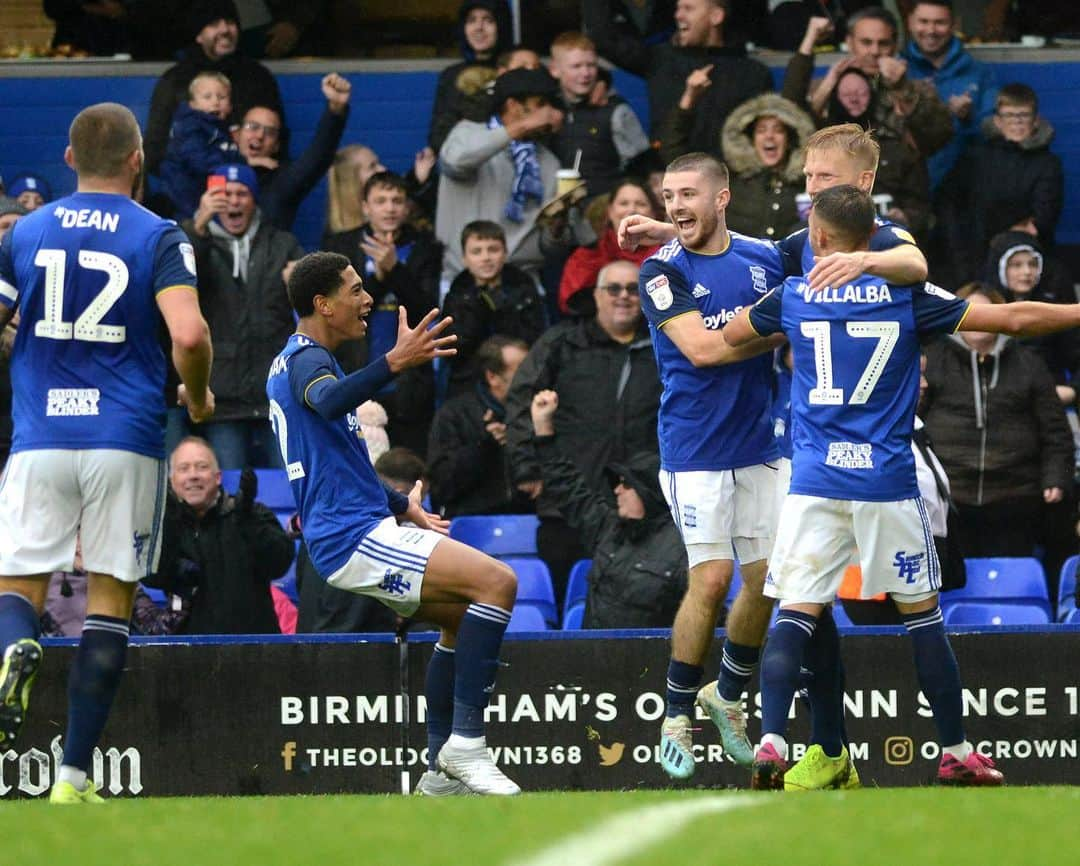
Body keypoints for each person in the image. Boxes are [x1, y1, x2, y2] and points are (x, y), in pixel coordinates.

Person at [721, 183, 1080, 788]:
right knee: (922, 619)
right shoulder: (908, 294)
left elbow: (731, 336)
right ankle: (955, 751)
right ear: (874, 239)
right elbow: (1012, 318)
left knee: (795, 613)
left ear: (816, 237)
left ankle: (774, 742)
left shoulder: (791, 296)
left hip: (814, 479)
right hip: (886, 481)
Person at [0, 102, 214, 804]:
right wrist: (200, 396)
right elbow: (188, 333)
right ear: (137, 162)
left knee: (16, 588)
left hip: (39, 439)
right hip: (123, 439)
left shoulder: (23, 231)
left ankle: (13, 647)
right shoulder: (158, 234)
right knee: (110, 602)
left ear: (69, 160)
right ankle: (71, 778)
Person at [266, 251, 521, 796]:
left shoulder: (291, 360)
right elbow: (331, 402)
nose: (366, 301)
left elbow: (335, 462)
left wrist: (400, 503)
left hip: (353, 527)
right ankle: (467, 746)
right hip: (351, 535)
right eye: (355, 291)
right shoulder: (310, 360)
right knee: (499, 583)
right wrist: (395, 361)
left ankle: (438, 773)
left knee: (460, 618)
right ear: (322, 304)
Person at [504, 259, 661, 603]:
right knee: (564, 606)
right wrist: (528, 467)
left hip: (643, 507)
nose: (624, 297)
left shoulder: (663, 345)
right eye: (614, 289)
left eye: (634, 290)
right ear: (596, 296)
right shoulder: (560, 343)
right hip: (568, 506)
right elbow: (520, 402)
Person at [921, 283, 1073, 563]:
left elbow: (1055, 430)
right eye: (970, 312)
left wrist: (1055, 477)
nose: (979, 319)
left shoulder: (1029, 363)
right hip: (950, 496)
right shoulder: (931, 360)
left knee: (1013, 574)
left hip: (1015, 496)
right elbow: (913, 425)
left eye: (987, 311)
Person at [531, 390, 687, 627]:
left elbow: (708, 617)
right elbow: (568, 488)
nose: (617, 491)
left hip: (651, 660)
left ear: (649, 492)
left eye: (626, 484)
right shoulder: (608, 527)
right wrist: (543, 431)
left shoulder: (683, 549)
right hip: (592, 658)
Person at [182, 163, 303, 468]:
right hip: (223, 397)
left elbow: (316, 301)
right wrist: (198, 226)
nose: (233, 201)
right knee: (230, 488)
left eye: (242, 193)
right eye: (225, 194)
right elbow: (179, 275)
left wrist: (299, 283)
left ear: (254, 200)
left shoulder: (282, 244)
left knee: (291, 487)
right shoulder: (192, 242)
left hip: (275, 394)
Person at [323, 171, 444, 456]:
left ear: (407, 207)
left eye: (397, 200)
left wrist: (396, 270)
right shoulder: (341, 247)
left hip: (408, 385)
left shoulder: (426, 248)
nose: (390, 208)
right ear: (365, 206)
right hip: (355, 374)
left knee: (407, 473)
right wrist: (378, 278)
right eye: (381, 201)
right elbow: (338, 311)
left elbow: (427, 309)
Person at [584, 0, 773, 157]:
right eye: (678, 8)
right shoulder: (659, 59)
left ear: (716, 16)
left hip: (728, 185)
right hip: (667, 179)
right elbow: (604, 39)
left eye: (688, 8)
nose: (678, 15)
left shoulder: (753, 74)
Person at [436, 66, 565, 287]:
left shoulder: (548, 162)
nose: (549, 114)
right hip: (463, 281)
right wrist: (518, 128)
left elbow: (550, 248)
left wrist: (556, 229)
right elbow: (454, 162)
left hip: (524, 284)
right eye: (540, 105)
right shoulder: (468, 133)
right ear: (513, 106)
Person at [153, 437, 294, 634]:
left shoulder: (252, 513)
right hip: (188, 654)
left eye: (201, 467)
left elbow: (280, 564)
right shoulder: (165, 525)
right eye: (184, 468)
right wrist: (169, 520)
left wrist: (248, 519)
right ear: (172, 480)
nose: (193, 475)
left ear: (218, 477)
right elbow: (152, 578)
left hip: (255, 652)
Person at [144, 0, 284, 177]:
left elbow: (278, 140)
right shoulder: (175, 80)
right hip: (191, 187)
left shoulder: (258, 77)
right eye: (213, 24)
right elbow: (154, 148)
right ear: (199, 35)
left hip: (250, 185)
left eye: (230, 23)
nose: (225, 30)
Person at [939, 83, 1064, 276]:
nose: (1017, 122)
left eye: (1023, 115)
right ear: (997, 121)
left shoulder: (1048, 164)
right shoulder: (974, 157)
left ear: (1036, 120)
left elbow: (1044, 215)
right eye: (1009, 115)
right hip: (972, 257)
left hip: (1022, 261)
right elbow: (949, 203)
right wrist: (960, 246)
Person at [798, 7, 954, 160]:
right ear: (849, 43)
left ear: (894, 46)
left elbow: (936, 140)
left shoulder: (918, 89)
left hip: (898, 180)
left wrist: (902, 89)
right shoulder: (822, 86)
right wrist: (828, 87)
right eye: (866, 42)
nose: (874, 51)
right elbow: (799, 137)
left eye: (883, 43)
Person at [428, 335, 532, 518]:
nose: (532, 377)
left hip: (531, 518)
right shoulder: (455, 415)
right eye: (523, 371)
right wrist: (484, 447)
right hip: (473, 520)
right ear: (493, 377)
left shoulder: (542, 412)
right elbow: (441, 485)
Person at [233, 73, 352, 231]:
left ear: (276, 146)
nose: (260, 135)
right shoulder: (212, 170)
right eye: (252, 127)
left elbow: (317, 158)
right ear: (236, 135)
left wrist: (335, 110)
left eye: (270, 132)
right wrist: (244, 164)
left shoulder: (282, 180)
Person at [900, 0, 999, 190]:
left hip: (965, 188)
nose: (931, 30)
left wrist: (967, 118)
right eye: (923, 21)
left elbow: (995, 133)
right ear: (910, 23)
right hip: (907, 189)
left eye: (940, 22)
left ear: (955, 25)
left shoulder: (978, 72)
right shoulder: (897, 70)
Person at [441, 220, 546, 395]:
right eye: (476, 252)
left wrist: (503, 311)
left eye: (493, 250)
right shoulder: (457, 294)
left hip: (517, 378)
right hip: (469, 384)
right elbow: (452, 350)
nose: (486, 258)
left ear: (505, 253)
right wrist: (479, 310)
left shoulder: (523, 289)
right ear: (464, 259)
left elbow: (536, 339)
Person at [547, 31, 650, 201]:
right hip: (556, 213)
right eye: (576, 66)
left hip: (603, 211)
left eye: (591, 65)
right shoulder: (547, 108)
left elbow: (641, 168)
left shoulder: (616, 111)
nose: (586, 73)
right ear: (554, 70)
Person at [716, 93, 817, 240]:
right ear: (751, 140)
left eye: (778, 130)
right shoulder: (731, 184)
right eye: (761, 130)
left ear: (789, 140)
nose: (770, 136)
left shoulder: (807, 185)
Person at [558, 177, 661, 317]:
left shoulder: (667, 254)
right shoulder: (591, 251)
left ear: (653, 214)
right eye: (623, 203)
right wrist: (590, 253)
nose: (631, 210)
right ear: (610, 211)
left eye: (641, 204)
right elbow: (571, 304)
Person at [428, 0, 514, 154]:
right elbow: (437, 137)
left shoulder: (514, 70)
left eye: (488, 20)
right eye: (471, 20)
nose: (479, 28)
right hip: (463, 163)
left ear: (501, 26)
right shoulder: (451, 76)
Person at [158, 71, 239, 219]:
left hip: (201, 198)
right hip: (182, 200)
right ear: (192, 104)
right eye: (207, 97)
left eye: (221, 97)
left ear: (230, 106)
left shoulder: (221, 128)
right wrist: (237, 161)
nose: (215, 102)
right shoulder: (189, 127)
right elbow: (200, 163)